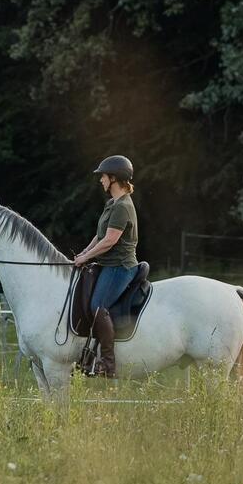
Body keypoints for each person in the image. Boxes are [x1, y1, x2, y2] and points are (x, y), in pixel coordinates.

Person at [72, 155, 139, 377]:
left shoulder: (123, 207)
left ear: (114, 178)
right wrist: (84, 253)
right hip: (106, 264)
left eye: (103, 176)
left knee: (98, 306)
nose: (100, 180)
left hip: (120, 266)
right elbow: (100, 235)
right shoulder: (112, 204)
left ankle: (108, 363)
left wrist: (87, 257)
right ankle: (87, 355)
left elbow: (110, 240)